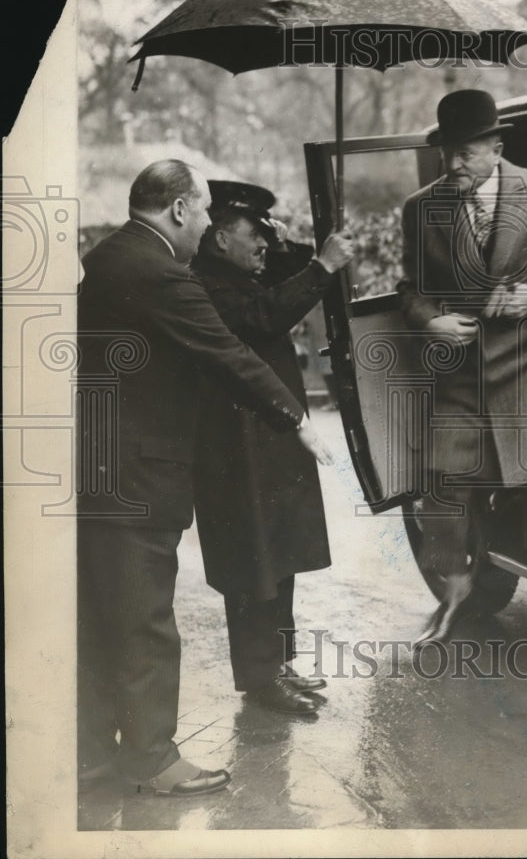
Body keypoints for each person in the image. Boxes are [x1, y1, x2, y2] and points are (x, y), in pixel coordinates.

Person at [77, 160, 332, 797]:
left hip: (103, 462)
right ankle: (152, 761)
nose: (207, 226)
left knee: (104, 616)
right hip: (140, 472)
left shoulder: (108, 256)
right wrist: (295, 419)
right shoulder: (162, 272)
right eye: (204, 212)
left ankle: (93, 753)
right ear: (181, 209)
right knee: (145, 620)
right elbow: (226, 352)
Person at [397, 90, 527, 645]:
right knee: (444, 483)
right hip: (464, 369)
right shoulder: (420, 208)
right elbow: (411, 289)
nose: (452, 164)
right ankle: (454, 590)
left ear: (496, 147)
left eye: (466, 153)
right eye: (446, 153)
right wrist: (432, 322)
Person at [191, 181, 353, 714]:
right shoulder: (206, 283)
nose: (263, 242)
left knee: (278, 552)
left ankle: (279, 664)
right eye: (253, 232)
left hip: (265, 438)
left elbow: (282, 280)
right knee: (253, 562)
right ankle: (261, 679)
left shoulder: (236, 274)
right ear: (220, 237)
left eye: (267, 232)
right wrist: (321, 268)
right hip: (236, 448)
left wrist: (284, 248)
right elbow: (264, 315)